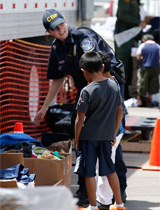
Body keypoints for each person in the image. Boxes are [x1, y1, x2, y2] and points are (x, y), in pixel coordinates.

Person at [33, 8, 121, 206]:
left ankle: (116, 191)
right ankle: (84, 191)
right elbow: (57, 80)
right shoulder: (57, 48)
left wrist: (106, 100)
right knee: (80, 139)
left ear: (65, 22)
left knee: (111, 141)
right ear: (50, 32)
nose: (60, 29)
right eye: (55, 28)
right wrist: (44, 108)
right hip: (87, 94)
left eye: (62, 24)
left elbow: (102, 69)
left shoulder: (83, 37)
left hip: (106, 89)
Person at [74, 51, 125, 210]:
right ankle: (119, 203)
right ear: (102, 66)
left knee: (89, 173)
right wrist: (113, 132)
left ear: (84, 71)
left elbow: (79, 119)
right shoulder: (113, 85)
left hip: (88, 138)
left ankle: (93, 206)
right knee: (110, 170)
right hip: (106, 137)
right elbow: (120, 110)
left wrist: (76, 140)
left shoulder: (87, 91)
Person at [95, 51, 127, 209]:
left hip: (110, 133)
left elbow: (119, 111)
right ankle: (107, 200)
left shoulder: (108, 85)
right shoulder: (109, 81)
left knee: (105, 167)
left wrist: (112, 134)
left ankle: (105, 201)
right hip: (110, 132)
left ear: (100, 68)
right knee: (104, 166)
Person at [114, 0, 147, 100]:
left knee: (131, 67)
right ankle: (120, 93)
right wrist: (138, 22)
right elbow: (121, 15)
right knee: (123, 65)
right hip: (124, 37)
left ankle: (126, 93)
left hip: (132, 36)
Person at [136, 34, 160, 107]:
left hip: (145, 67)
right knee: (153, 83)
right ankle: (149, 101)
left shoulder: (143, 45)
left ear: (143, 40)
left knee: (143, 82)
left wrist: (143, 61)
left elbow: (138, 57)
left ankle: (139, 99)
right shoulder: (157, 46)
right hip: (156, 67)